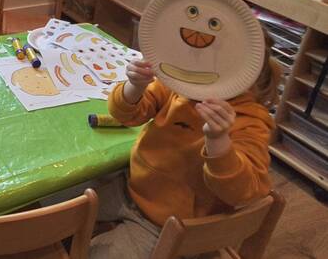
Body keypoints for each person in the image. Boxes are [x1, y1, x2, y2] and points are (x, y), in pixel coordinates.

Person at [89, 33, 280, 258]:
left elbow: (243, 192)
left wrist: (218, 140)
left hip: (168, 224)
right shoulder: (179, 86)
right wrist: (135, 86)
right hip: (132, 188)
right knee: (67, 207)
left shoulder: (250, 120)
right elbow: (127, 115)